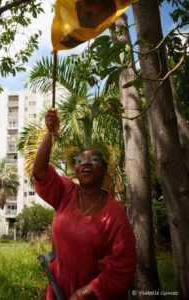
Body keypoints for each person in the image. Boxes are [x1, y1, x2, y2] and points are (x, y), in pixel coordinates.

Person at [33, 108, 136, 300]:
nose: (86, 163)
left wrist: (85, 293)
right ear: (76, 168)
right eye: (80, 160)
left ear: (105, 170)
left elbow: (122, 268)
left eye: (94, 159)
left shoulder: (115, 215)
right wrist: (51, 133)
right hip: (57, 291)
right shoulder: (66, 192)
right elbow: (39, 172)